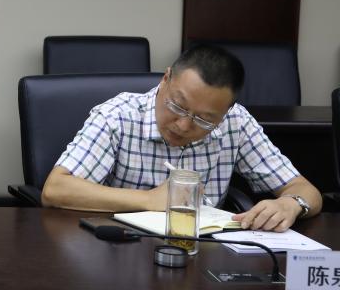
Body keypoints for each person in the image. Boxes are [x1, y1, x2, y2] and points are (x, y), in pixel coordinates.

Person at [41, 44, 321, 232]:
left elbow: (305, 189)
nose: (184, 125)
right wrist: (148, 200)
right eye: (177, 106)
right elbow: (56, 189)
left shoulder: (236, 123)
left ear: (225, 112)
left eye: (204, 120)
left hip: (204, 255)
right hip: (122, 247)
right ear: (165, 79)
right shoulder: (118, 116)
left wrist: (292, 204)